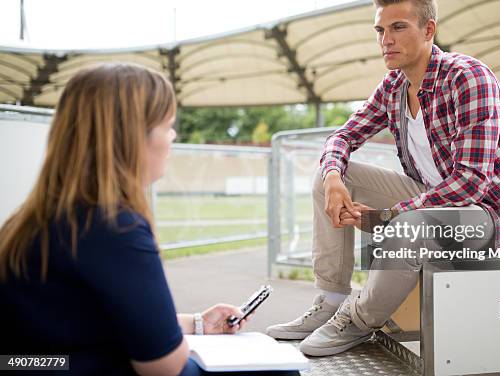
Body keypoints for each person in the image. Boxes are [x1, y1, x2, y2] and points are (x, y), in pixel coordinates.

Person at [266, 0, 500, 356]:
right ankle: (331, 299)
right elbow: (342, 137)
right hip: (434, 200)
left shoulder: (468, 77)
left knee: (408, 226)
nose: (386, 40)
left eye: (399, 27)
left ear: (429, 30)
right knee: (327, 177)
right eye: (380, 30)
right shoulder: (394, 85)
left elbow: (471, 183)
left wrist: (389, 215)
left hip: (489, 214)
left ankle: (359, 321)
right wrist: (333, 177)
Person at [0, 63, 298, 376]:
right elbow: (165, 366)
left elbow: (88, 324)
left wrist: (198, 323)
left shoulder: (32, 220)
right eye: (166, 125)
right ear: (130, 137)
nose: (173, 136)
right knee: (280, 371)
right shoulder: (115, 227)